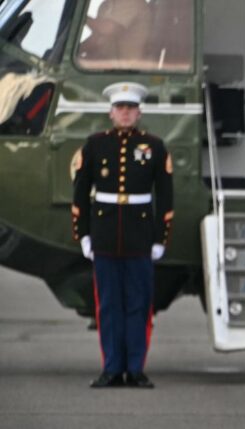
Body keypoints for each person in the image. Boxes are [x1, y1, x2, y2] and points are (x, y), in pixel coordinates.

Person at [72, 82, 173, 388]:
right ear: (111, 112)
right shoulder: (94, 145)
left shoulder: (154, 146)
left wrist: (159, 238)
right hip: (104, 235)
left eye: (130, 109)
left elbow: (165, 196)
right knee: (108, 306)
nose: (125, 113)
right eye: (120, 108)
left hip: (139, 236)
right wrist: (84, 235)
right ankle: (112, 368)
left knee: (138, 305)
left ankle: (135, 369)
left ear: (139, 113)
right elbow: (80, 193)